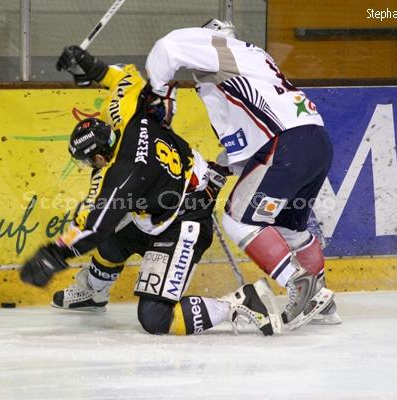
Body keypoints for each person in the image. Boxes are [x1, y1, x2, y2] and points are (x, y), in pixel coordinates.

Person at [18, 46, 283, 336]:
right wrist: (92, 68)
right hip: (174, 199)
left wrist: (52, 255)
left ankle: (242, 302)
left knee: (155, 318)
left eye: (87, 162)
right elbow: (126, 80)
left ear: (98, 157)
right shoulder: (128, 117)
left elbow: (93, 225)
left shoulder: (121, 176)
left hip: (185, 223)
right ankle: (94, 294)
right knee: (111, 243)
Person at [145, 19, 340, 326]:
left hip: (287, 145)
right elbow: (249, 151)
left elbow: (168, 47)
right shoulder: (242, 72)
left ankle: (297, 283)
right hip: (314, 143)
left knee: (236, 219)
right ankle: (322, 302)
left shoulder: (225, 50)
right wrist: (219, 170)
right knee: (289, 229)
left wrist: (159, 93)